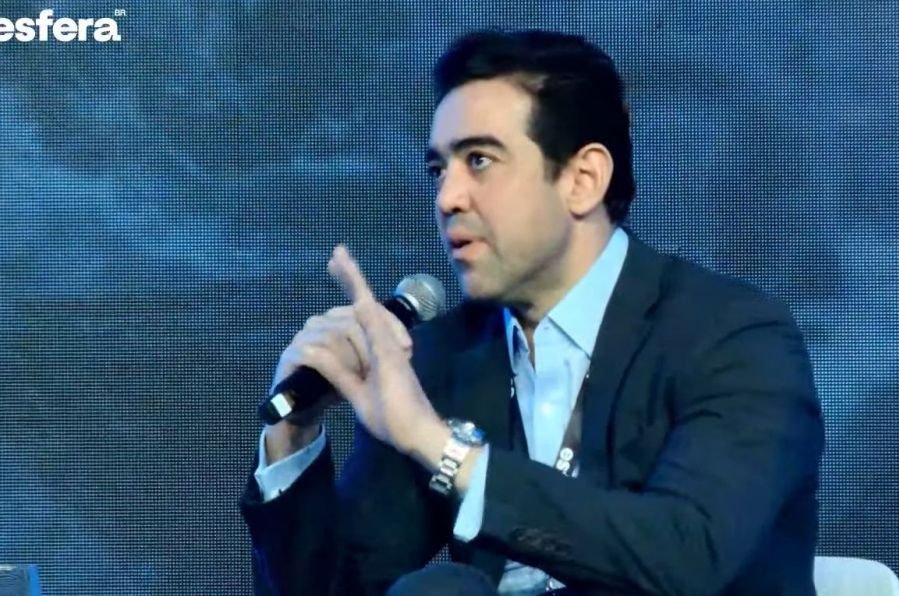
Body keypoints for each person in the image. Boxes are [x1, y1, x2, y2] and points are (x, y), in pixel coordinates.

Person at [239, 29, 825, 596]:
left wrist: (440, 447)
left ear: (583, 180)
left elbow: (688, 555)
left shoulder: (734, 337)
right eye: (439, 170)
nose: (447, 198)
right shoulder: (444, 356)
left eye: (479, 161)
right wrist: (292, 435)